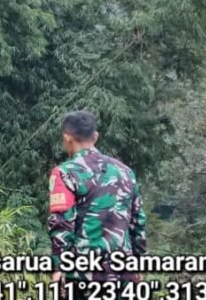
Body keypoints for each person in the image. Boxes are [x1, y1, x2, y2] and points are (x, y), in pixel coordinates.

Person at [48, 111, 146, 294]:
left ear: (66, 138)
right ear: (95, 137)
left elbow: (62, 224)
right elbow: (138, 221)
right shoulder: (125, 172)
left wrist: (58, 266)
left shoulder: (64, 173)